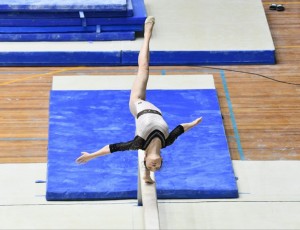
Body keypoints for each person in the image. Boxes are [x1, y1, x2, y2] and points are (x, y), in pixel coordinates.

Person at [76, 16, 202, 183]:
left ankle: (147, 33)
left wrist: (92, 155)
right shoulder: (167, 141)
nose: (155, 165)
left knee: (143, 68)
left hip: (137, 104)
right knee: (145, 69)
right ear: (161, 160)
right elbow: (180, 129)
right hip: (152, 108)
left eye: (151, 166)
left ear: (145, 161)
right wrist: (193, 123)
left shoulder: (138, 143)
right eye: (157, 167)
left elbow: (112, 148)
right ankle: (146, 176)